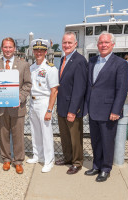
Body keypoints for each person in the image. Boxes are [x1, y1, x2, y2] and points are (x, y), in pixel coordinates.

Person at [84, 32, 128, 182]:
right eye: (101, 43)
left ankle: (105, 168)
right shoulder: (92, 61)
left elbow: (122, 89)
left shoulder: (120, 63)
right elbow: (91, 86)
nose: (103, 45)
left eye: (106, 43)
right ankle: (96, 165)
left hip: (109, 111)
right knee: (95, 140)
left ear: (112, 45)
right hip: (93, 109)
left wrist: (116, 110)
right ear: (97, 45)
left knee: (107, 141)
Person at [0, 37, 32, 174]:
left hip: (17, 106)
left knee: (18, 135)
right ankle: (6, 159)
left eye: (10, 47)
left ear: (14, 48)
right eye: (5, 47)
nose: (8, 50)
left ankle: (18, 161)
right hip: (1, 107)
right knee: (4, 134)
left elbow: (27, 84)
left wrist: (19, 98)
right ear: (2, 48)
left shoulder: (23, 64)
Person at [55, 32, 88, 175]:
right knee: (65, 136)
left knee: (75, 137)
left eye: (69, 43)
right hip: (62, 105)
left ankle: (77, 162)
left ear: (75, 44)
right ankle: (68, 158)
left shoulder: (79, 61)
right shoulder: (63, 59)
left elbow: (79, 89)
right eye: (64, 42)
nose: (66, 45)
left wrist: (73, 110)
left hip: (72, 107)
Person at [26, 39, 59, 173]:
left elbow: (54, 91)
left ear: (46, 52)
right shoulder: (32, 67)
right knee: (35, 131)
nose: (38, 53)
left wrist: (50, 110)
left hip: (45, 102)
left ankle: (49, 160)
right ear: (33, 51)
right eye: (36, 50)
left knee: (46, 133)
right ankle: (37, 155)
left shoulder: (50, 68)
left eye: (41, 50)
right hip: (33, 102)